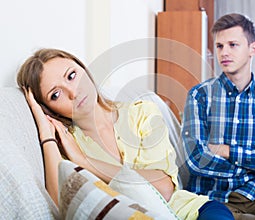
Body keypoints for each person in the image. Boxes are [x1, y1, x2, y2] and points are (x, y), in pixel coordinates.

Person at [17, 48, 234, 220]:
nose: (73, 92)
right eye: (55, 95)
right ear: (49, 109)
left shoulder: (141, 111)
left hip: (193, 211)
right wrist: (46, 135)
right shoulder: (67, 145)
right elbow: (58, 206)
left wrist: (86, 162)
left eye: (72, 76)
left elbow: (165, 189)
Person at [181, 13, 255, 220]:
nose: (224, 52)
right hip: (214, 195)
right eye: (219, 46)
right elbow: (198, 160)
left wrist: (227, 151)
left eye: (233, 44)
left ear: (253, 48)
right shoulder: (199, 96)